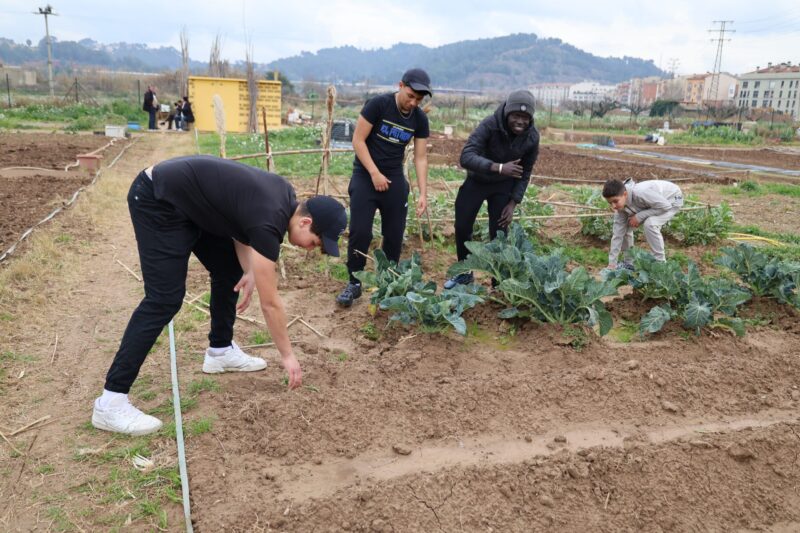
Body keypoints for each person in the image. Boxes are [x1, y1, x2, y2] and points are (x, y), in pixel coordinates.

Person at [91, 156, 347, 436]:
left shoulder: (283, 197)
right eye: (316, 242)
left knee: (229, 271)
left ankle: (220, 351)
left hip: (188, 203)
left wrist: (248, 269)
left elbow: (237, 220)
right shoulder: (269, 220)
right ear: (305, 222)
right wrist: (287, 356)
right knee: (164, 299)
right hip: (158, 198)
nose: (312, 249)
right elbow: (270, 303)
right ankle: (111, 402)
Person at [336, 68, 432, 307]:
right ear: (400, 85)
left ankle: (388, 282)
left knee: (394, 234)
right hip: (365, 175)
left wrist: (423, 193)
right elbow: (358, 141)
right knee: (360, 231)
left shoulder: (420, 119)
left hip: (393, 177)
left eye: (419, 100)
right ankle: (354, 282)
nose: (413, 103)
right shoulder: (378, 105)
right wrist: (374, 173)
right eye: (410, 96)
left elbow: (420, 158)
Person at [443, 90, 540, 289]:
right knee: (462, 226)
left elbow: (525, 172)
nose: (520, 121)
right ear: (507, 113)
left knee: (499, 232)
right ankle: (465, 273)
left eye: (525, 117)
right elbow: (466, 156)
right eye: (516, 115)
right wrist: (499, 167)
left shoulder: (532, 137)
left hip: (503, 186)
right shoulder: (490, 125)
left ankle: (498, 282)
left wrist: (513, 202)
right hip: (477, 180)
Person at [603, 177, 683, 269]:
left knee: (650, 223)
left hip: (672, 198)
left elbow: (665, 206)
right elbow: (617, 234)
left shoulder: (640, 193)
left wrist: (639, 217)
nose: (613, 206)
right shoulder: (620, 207)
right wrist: (612, 263)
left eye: (615, 201)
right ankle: (629, 263)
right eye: (610, 203)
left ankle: (661, 264)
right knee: (624, 227)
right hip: (656, 204)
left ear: (625, 194)